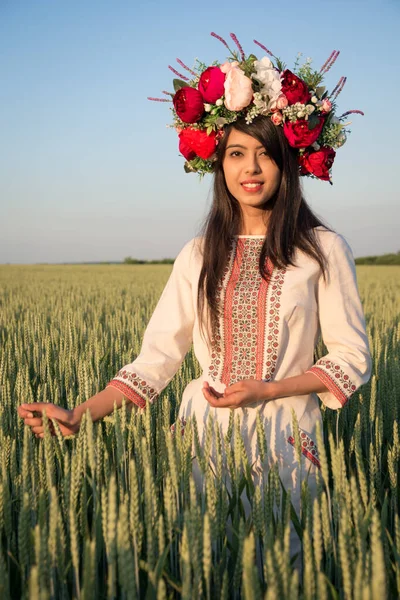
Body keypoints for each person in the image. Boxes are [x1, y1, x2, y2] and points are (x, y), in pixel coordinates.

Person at [18, 34, 372, 570]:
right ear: (218, 163)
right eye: (235, 153)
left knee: (287, 567)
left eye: (264, 154)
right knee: (208, 563)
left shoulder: (322, 249)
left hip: (287, 439)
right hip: (205, 438)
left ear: (288, 163)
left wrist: (269, 389)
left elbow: (350, 358)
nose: (250, 169)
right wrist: (77, 415)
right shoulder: (199, 253)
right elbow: (155, 361)